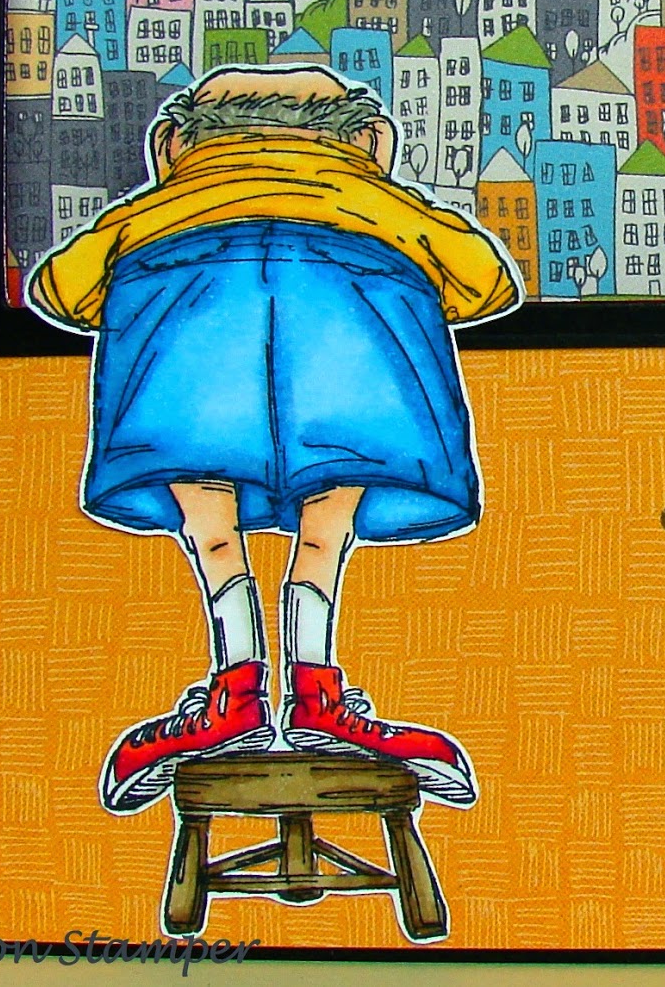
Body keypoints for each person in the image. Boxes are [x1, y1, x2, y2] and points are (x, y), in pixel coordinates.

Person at [28, 64, 520, 815]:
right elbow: (487, 281)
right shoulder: (376, 198)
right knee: (326, 533)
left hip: (189, 377)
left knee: (211, 529)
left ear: (176, 143)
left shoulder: (158, 205)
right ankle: (318, 693)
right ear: (367, 140)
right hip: (352, 372)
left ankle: (235, 689)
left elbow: (59, 289)